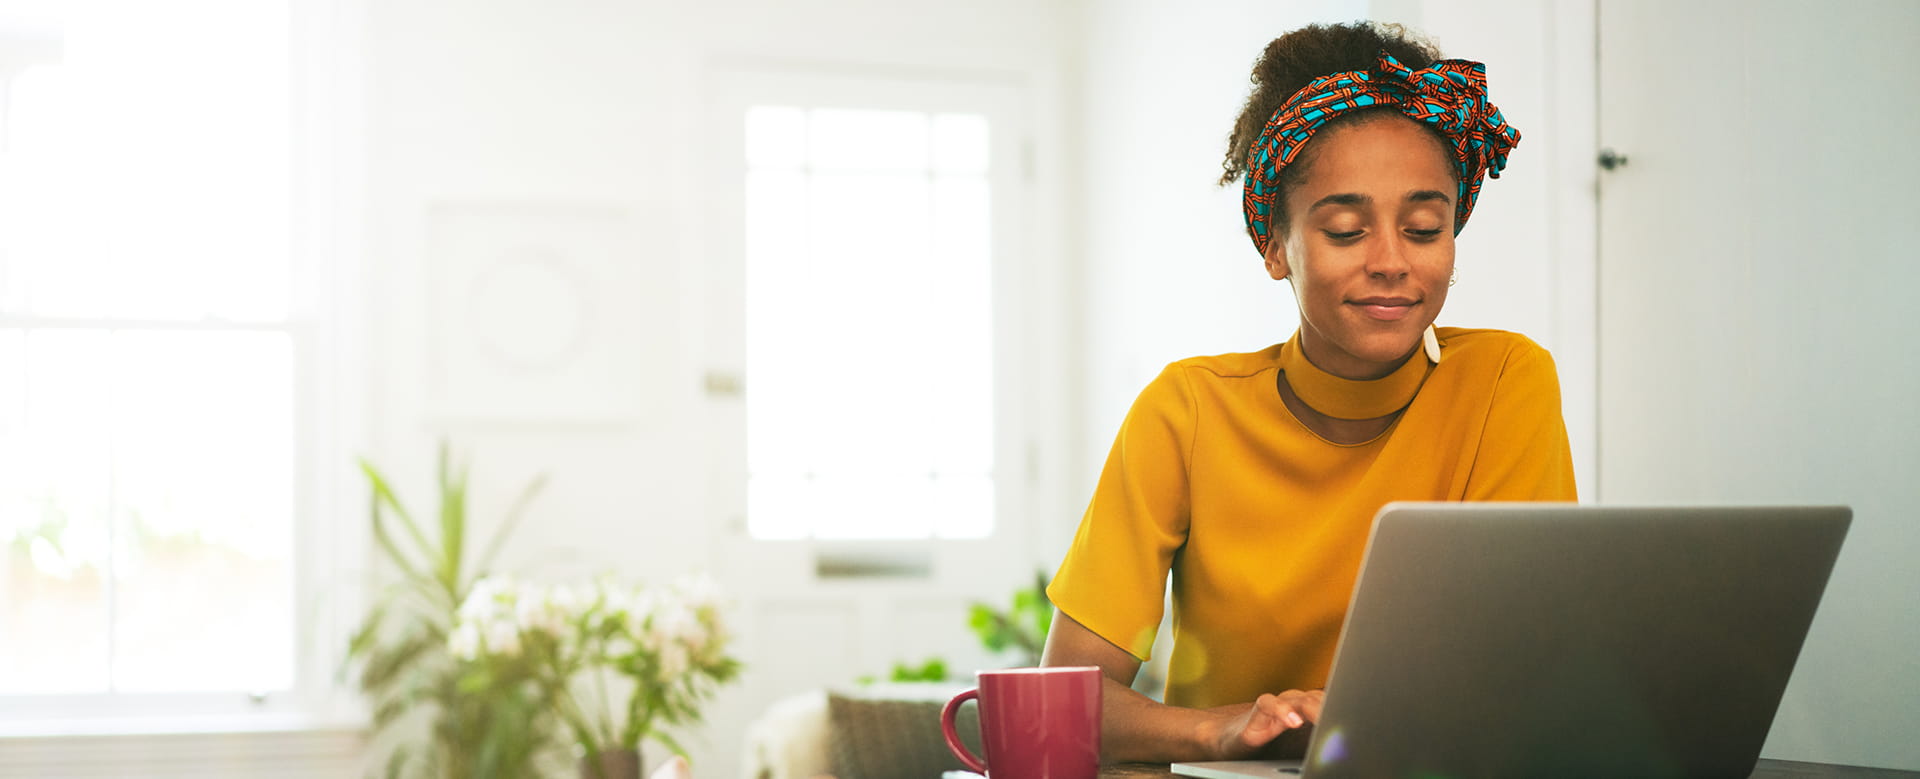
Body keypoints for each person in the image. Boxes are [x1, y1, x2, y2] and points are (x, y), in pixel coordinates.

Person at [1038, 21, 1577, 764]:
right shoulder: (1188, 410)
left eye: (1424, 228)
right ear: (1272, 245)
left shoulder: (1504, 381)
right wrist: (1225, 729)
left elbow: (1523, 673)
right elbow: (1065, 695)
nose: (1392, 262)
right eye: (1347, 231)